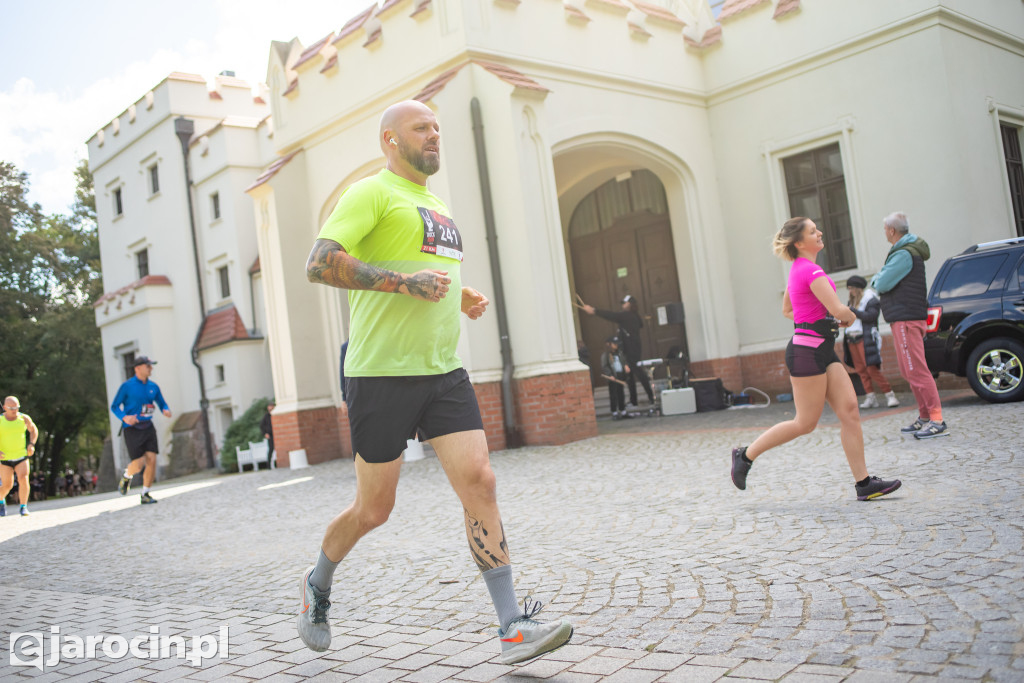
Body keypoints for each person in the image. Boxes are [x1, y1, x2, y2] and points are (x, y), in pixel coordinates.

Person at [300, 100, 573, 664]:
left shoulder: (436, 204)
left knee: (480, 480)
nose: (434, 136)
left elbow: (432, 270)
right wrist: (403, 284)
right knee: (374, 510)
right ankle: (318, 583)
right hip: (380, 375)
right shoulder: (369, 193)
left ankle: (512, 626)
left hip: (443, 370)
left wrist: (460, 290)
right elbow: (320, 263)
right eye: (421, 128)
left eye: (437, 128)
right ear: (390, 141)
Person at [730, 218, 902, 501]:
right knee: (805, 423)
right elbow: (841, 310)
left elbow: (789, 309)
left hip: (821, 350)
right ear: (799, 243)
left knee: (849, 411)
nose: (819, 232)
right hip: (807, 353)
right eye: (812, 231)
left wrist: (828, 319)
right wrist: (841, 316)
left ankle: (863, 484)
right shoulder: (810, 270)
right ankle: (744, 455)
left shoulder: (799, 270)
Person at [870, 212, 948, 439]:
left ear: (892, 231)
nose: (884, 233)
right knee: (908, 369)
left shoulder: (903, 254)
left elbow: (881, 282)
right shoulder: (905, 252)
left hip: (906, 319)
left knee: (917, 369)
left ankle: (937, 420)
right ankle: (925, 416)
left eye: (885, 229)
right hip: (904, 318)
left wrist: (877, 278)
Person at [110, 356, 172, 504]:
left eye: (151, 366)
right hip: (132, 429)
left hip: (148, 427)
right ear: (137, 368)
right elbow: (114, 406)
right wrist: (125, 417)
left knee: (152, 459)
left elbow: (162, 403)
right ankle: (127, 476)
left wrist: (166, 410)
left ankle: (146, 493)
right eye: (148, 366)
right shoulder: (127, 386)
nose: (151, 369)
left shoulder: (153, 387)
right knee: (138, 464)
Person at [581, 295, 655, 406]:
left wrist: (594, 311)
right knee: (631, 376)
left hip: (632, 352)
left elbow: (612, 316)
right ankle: (636, 400)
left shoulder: (628, 316)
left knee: (639, 374)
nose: (622, 305)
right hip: (629, 351)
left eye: (624, 303)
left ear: (630, 304)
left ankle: (650, 397)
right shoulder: (631, 317)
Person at [843, 275, 899, 409]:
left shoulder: (870, 300)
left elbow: (871, 316)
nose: (850, 291)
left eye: (851, 288)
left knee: (871, 369)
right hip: (851, 338)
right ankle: (870, 397)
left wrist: (853, 311)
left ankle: (889, 394)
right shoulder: (851, 302)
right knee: (861, 370)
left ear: (858, 288)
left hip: (865, 338)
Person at [0, 396, 39, 516]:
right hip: (5, 458)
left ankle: (23, 507)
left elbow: (33, 430)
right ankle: (1, 500)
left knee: (23, 478)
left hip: (21, 456)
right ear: (5, 407)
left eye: (17, 407)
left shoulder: (24, 418)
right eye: (12, 408)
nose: (15, 410)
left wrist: (31, 444)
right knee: (7, 485)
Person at [600, 336, 631, 419]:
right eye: (614, 344)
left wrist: (626, 366)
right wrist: (610, 375)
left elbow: (623, 361)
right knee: (614, 395)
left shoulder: (619, 353)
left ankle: (623, 411)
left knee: (621, 394)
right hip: (613, 377)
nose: (616, 345)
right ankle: (614, 412)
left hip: (620, 375)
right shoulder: (606, 355)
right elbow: (605, 366)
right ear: (609, 344)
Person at [260, 400, 275, 467]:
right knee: (271, 449)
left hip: (277, 434)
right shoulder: (266, 416)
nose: (271, 407)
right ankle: (268, 465)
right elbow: (262, 426)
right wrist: (265, 433)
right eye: (270, 406)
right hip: (270, 435)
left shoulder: (275, 414)